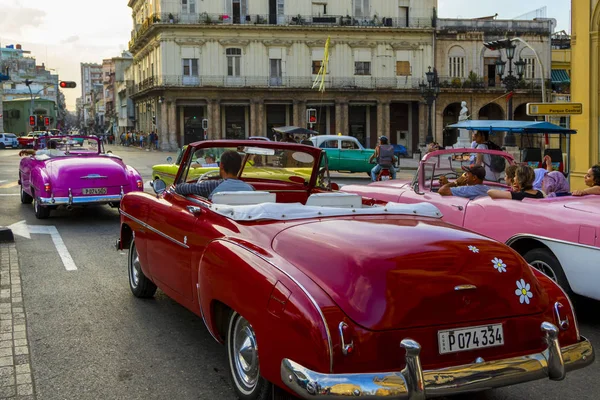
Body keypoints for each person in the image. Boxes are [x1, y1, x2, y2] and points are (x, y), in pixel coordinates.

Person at [175, 150, 255, 200]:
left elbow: (180, 188)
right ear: (240, 167)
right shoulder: (250, 189)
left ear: (221, 166)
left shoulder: (211, 186)